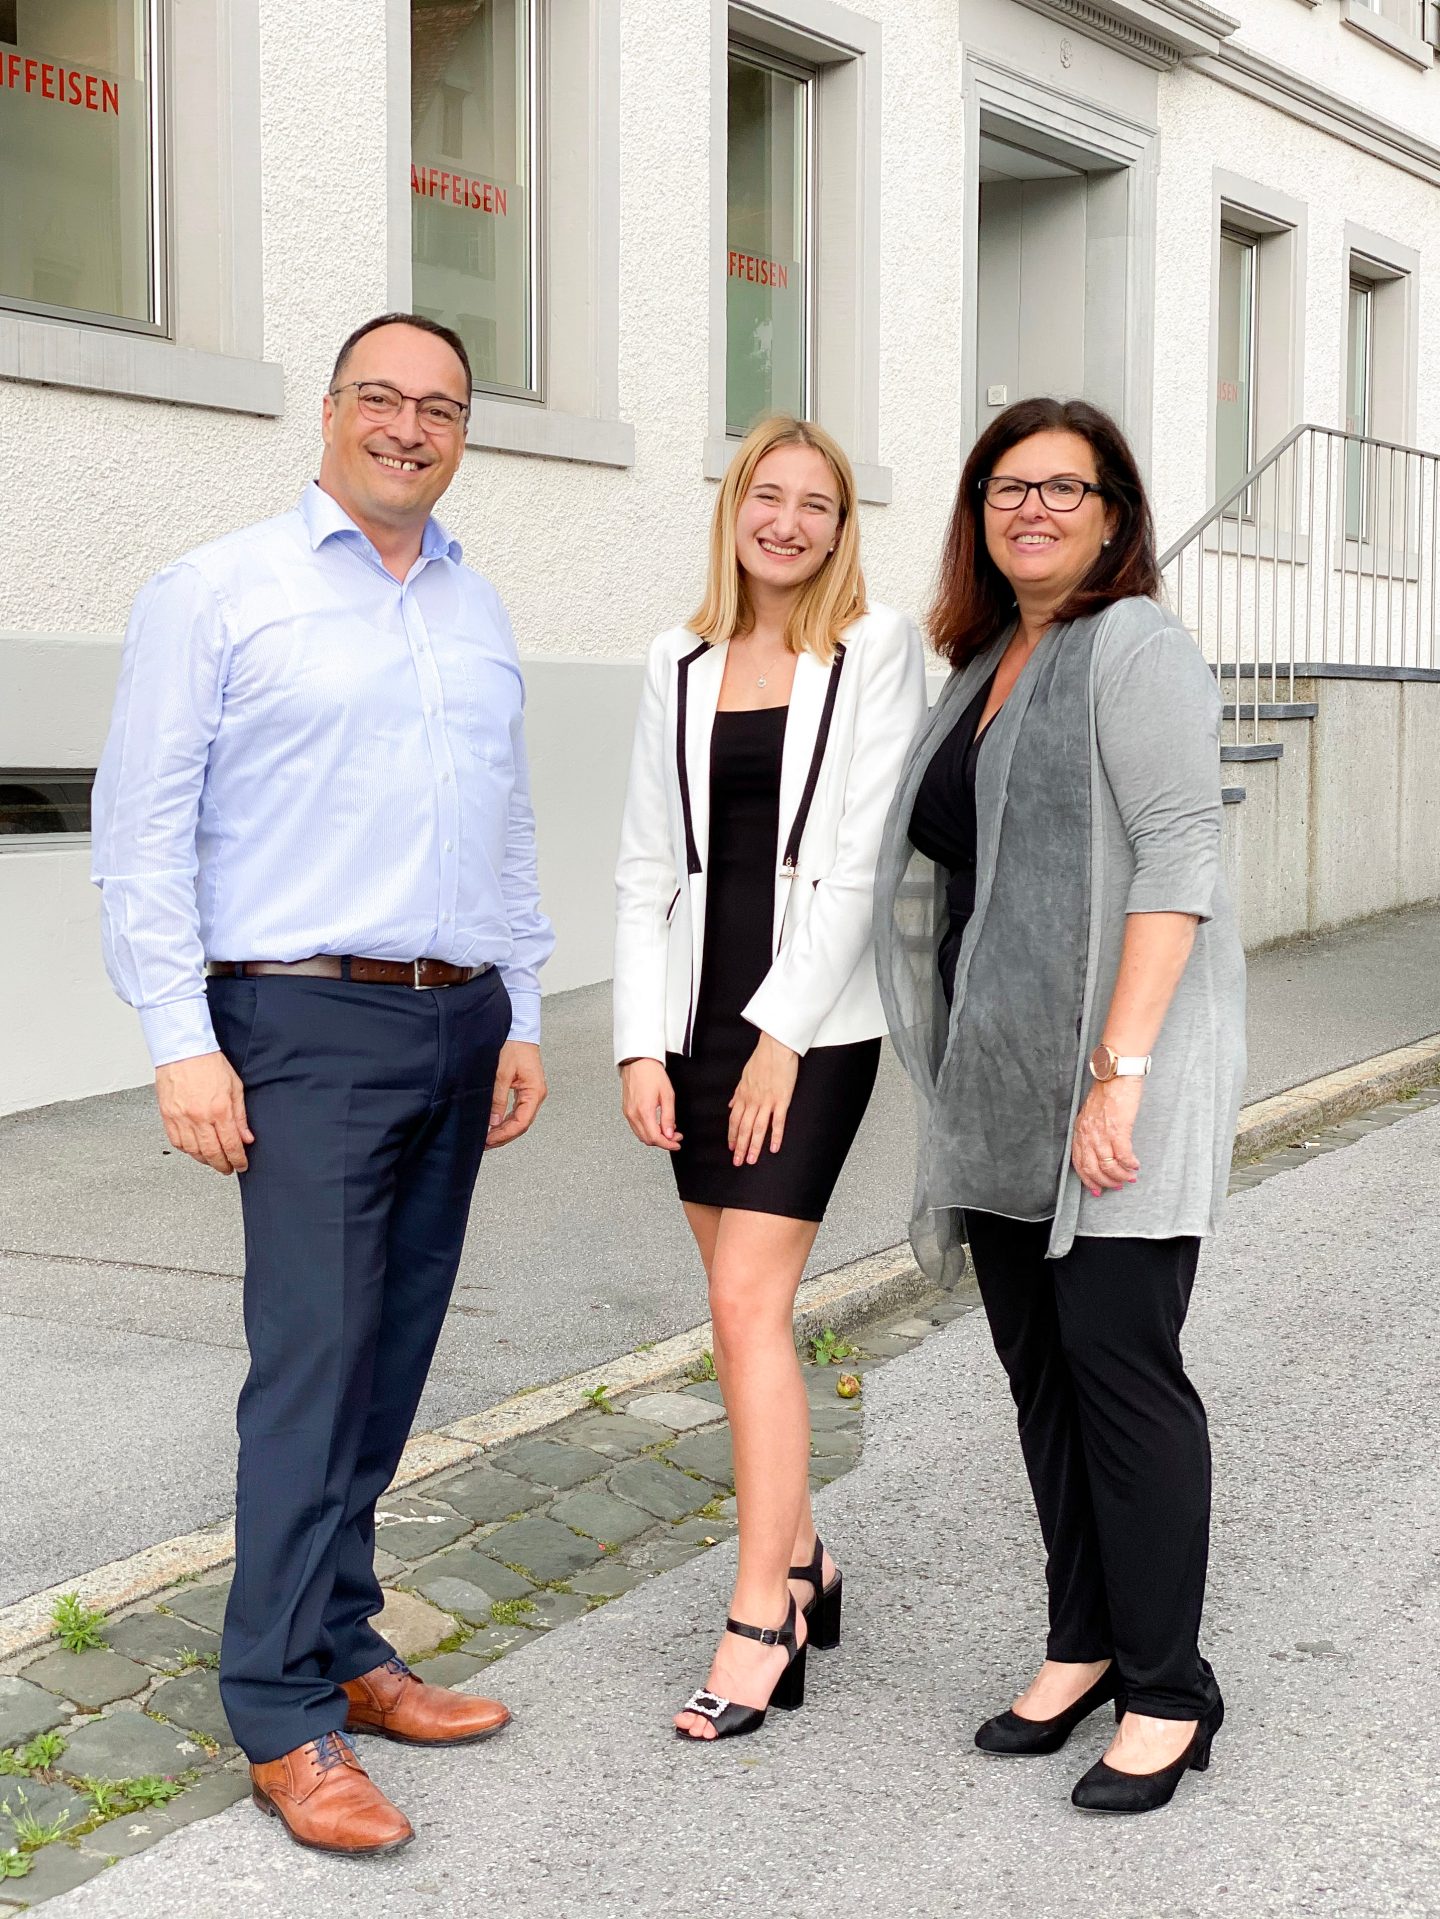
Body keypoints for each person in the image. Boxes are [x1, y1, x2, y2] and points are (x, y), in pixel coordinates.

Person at [91, 313, 554, 1857]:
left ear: (463, 432)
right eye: (382, 398)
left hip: (455, 1020)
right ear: (333, 412)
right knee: (311, 1363)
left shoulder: (477, 603)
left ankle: (348, 1643)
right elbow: (142, 830)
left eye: (440, 406)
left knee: (391, 1357)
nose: (409, 426)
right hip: (297, 1024)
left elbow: (505, 826)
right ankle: (279, 1709)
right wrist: (179, 1037)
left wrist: (525, 1007)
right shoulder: (219, 592)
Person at [874, 397, 1246, 1815]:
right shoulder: (980, 662)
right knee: (1042, 1378)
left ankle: (1169, 1688)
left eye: (1061, 488)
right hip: (1004, 1078)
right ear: (979, 514)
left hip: (1117, 1077)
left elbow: (1181, 851)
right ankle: (1084, 1643)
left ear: (1112, 514)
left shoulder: (1134, 644)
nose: (1030, 509)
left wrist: (1122, 1070)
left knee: (1121, 1372)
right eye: (1004, 489)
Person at [613, 415, 927, 1742]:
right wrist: (638, 1042)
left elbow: (861, 865)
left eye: (818, 504)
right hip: (690, 1031)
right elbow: (645, 867)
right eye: (769, 497)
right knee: (737, 1310)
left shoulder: (878, 652)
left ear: (843, 525)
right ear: (736, 508)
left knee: (749, 1301)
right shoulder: (674, 659)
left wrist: (780, 1038)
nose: (789, 522)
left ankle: (763, 1614)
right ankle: (806, 1553)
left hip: (810, 1032)